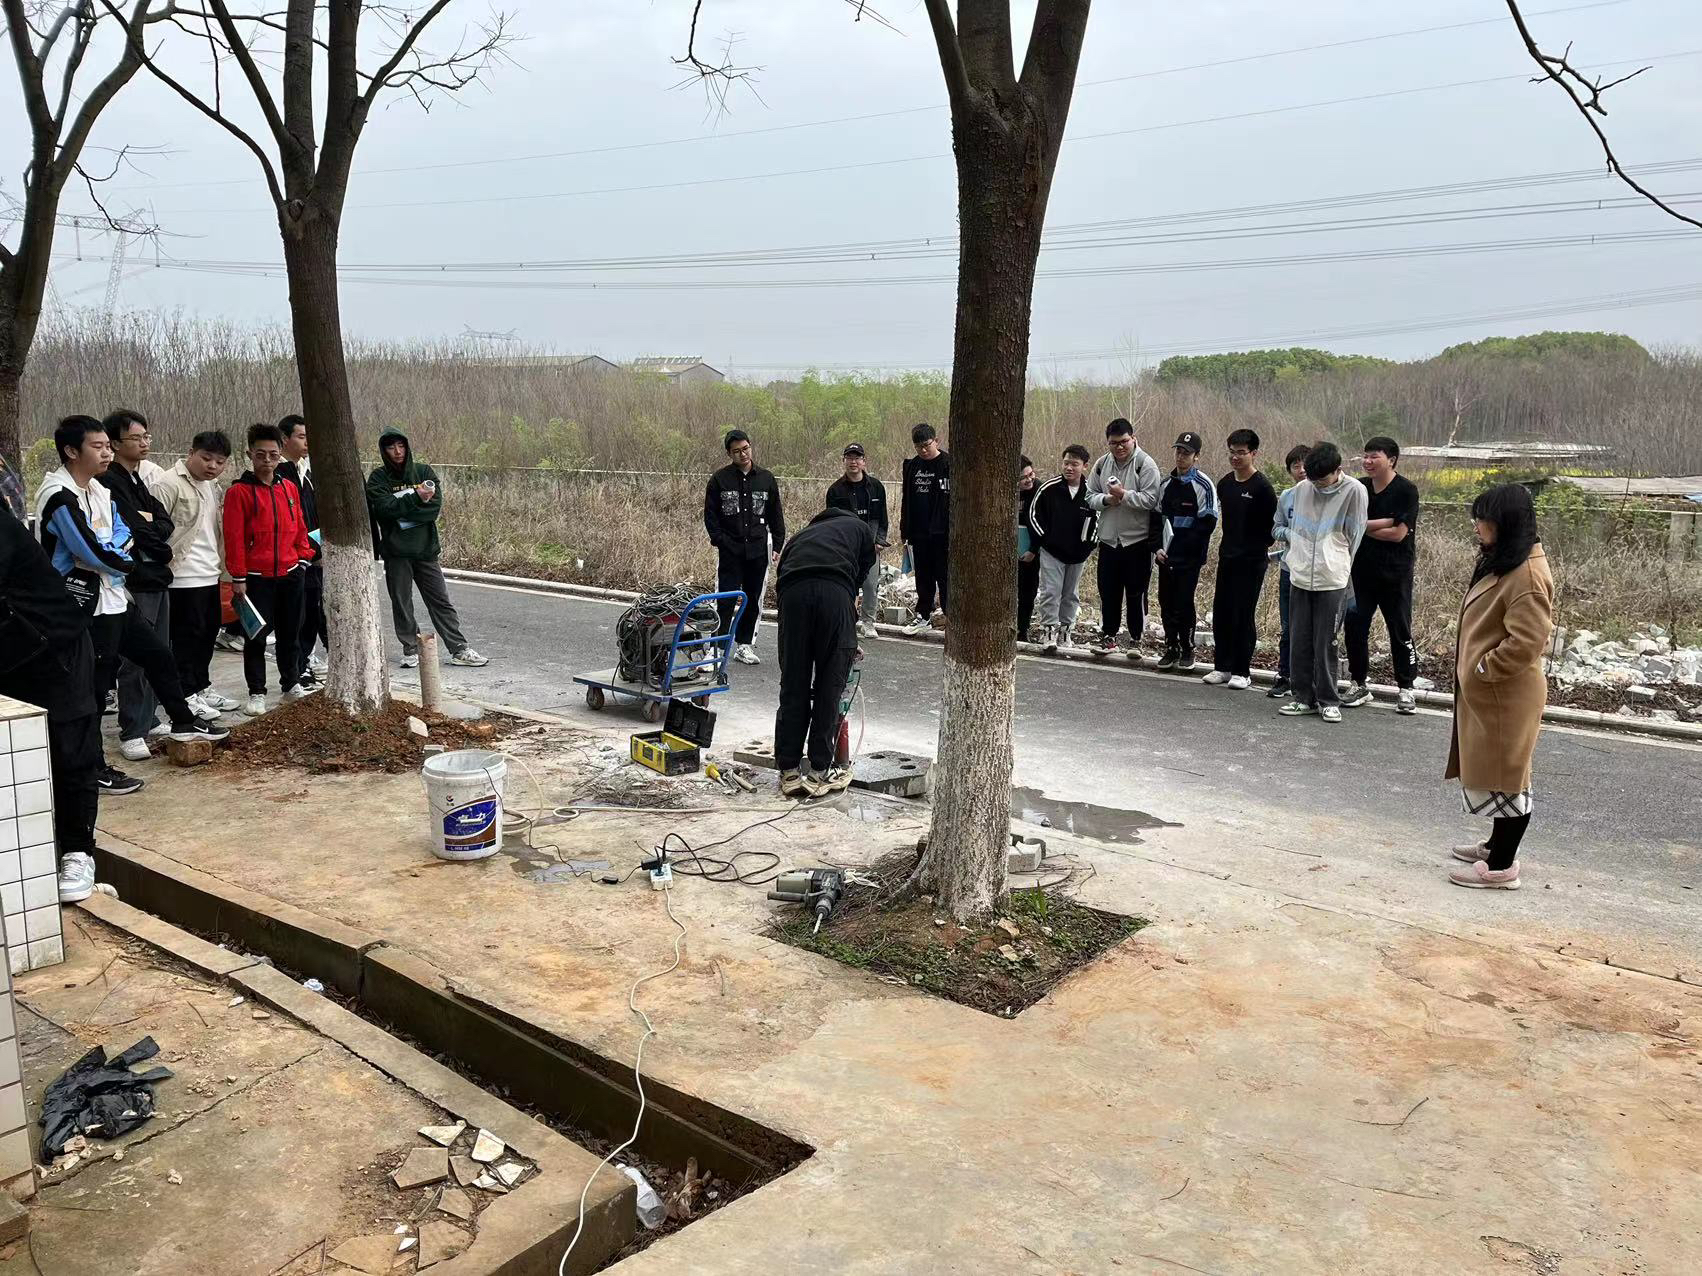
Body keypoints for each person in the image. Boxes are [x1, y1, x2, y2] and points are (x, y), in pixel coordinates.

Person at [36, 417, 227, 790]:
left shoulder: (99, 489)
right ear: (71, 451)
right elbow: (87, 548)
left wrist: (116, 555)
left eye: (108, 446)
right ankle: (92, 768)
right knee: (94, 688)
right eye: (97, 447)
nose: (106, 453)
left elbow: (124, 533)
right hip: (83, 604)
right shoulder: (58, 495)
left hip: (114, 596)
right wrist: (122, 560)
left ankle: (183, 721)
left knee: (158, 655)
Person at [1446, 484, 1554, 890]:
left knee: (1510, 779)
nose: (1477, 526)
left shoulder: (1527, 574)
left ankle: (1502, 867)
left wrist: (1483, 668)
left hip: (1505, 693)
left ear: (1504, 522)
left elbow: (1528, 641)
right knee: (1498, 773)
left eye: (1483, 519)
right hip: (1493, 693)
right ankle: (1495, 846)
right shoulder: (1509, 561)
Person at [0, 502, 105, 902]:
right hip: (11, 656)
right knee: (18, 759)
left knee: (70, 752)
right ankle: (33, 853)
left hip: (56, 649)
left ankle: (79, 853)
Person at [99, 410, 196, 763]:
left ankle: (150, 717)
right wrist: (158, 540)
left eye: (146, 437)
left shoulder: (138, 480)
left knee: (159, 651)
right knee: (137, 658)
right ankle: (132, 730)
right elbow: (137, 530)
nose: (144, 443)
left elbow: (163, 521)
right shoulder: (110, 482)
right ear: (114, 443)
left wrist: (153, 530)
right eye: (136, 438)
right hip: (137, 577)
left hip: (156, 575)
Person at [773, 506, 876, 798]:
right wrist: (846, 636)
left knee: (794, 683)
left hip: (793, 597)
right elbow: (858, 578)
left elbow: (782, 578)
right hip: (835, 595)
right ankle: (819, 772)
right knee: (829, 687)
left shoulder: (801, 536)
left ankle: (789, 770)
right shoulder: (860, 529)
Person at [367, 429, 489, 672]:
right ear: (384, 451)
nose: (397, 451)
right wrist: (415, 497)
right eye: (391, 447)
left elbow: (432, 510)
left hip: (425, 549)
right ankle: (411, 648)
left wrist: (400, 509)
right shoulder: (378, 478)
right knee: (402, 602)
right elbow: (383, 509)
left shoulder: (423, 473)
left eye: (401, 446)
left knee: (440, 600)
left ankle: (459, 648)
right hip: (396, 552)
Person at [226, 423, 315, 715]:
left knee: (291, 633)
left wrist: (303, 558)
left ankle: (291, 684)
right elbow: (234, 538)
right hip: (255, 578)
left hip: (291, 573)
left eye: (273, 455)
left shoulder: (288, 488)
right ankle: (257, 692)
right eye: (260, 454)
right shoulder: (239, 492)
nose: (267, 460)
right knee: (255, 636)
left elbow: (300, 527)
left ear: (280, 455)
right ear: (249, 454)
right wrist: (238, 576)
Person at [152, 430, 239, 721]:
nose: (212, 466)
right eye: (206, 458)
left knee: (206, 635)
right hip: (180, 576)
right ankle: (185, 695)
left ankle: (201, 687)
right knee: (185, 639)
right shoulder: (167, 484)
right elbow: (153, 533)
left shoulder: (212, 486)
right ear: (191, 453)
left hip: (209, 573)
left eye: (220, 461)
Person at [1278, 443, 1368, 724]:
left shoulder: (1354, 491)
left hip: (1332, 578)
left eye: (1322, 479)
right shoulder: (1302, 488)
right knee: (1299, 640)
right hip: (1300, 574)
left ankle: (1329, 700)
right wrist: (1298, 557)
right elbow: (1293, 527)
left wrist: (1336, 561)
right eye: (1312, 478)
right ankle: (1303, 697)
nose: (1316, 484)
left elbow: (1355, 535)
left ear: (1338, 470)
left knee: (1326, 642)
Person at [1343, 435, 1421, 714]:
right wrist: (1384, 521)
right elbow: (1347, 524)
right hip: (1361, 572)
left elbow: (1398, 534)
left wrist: (1362, 526)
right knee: (1355, 627)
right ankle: (1358, 683)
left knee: (1400, 630)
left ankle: (1406, 688)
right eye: (1365, 455)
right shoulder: (1359, 488)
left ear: (1392, 460)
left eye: (1374, 456)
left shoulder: (1406, 490)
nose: (1367, 461)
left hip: (1395, 574)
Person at [1203, 428, 1277, 690]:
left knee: (1243, 613)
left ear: (1253, 453)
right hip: (1228, 556)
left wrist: (1253, 547)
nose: (1235, 457)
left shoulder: (1262, 488)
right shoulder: (1225, 484)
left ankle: (1242, 671)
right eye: (1232, 452)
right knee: (1222, 611)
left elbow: (1271, 530)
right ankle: (1222, 667)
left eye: (1241, 452)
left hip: (1252, 560)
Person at [703, 429, 785, 665]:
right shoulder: (719, 480)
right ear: (729, 454)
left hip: (758, 550)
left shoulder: (766, 479)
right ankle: (717, 648)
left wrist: (778, 544)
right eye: (737, 451)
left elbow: (775, 514)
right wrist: (719, 540)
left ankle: (744, 645)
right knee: (725, 599)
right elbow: (710, 515)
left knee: (752, 599)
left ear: (751, 446)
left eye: (746, 448)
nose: (743, 454)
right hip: (730, 549)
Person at [1085, 417, 1163, 656]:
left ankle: (1136, 639)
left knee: (1136, 593)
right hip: (1109, 540)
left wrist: (1124, 495)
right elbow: (1089, 496)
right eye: (1114, 443)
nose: (1119, 447)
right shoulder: (1102, 464)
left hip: (1137, 541)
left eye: (1124, 441)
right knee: (1108, 591)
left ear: (1133, 439)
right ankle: (1108, 636)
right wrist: (1106, 500)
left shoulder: (1145, 464)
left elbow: (1151, 499)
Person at [1154, 431, 1218, 671]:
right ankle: (1170, 647)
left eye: (1186, 453)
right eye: (1178, 451)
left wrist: (1185, 548)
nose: (1181, 457)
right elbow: (1155, 521)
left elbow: (1207, 524)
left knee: (1183, 602)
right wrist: (1157, 548)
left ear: (1196, 456)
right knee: (1166, 602)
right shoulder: (1165, 484)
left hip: (1189, 558)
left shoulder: (1204, 485)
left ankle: (1187, 648)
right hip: (1165, 556)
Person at [1027, 444, 1099, 652]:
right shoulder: (1049, 489)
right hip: (1052, 551)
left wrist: (1089, 545)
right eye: (1066, 463)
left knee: (1070, 594)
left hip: (1079, 554)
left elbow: (1099, 520)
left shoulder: (1091, 491)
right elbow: (1034, 515)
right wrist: (1044, 540)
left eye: (1074, 464)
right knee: (1051, 591)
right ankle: (1049, 631)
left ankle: (1066, 631)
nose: (1069, 468)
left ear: (1084, 466)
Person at [276, 414, 328, 686]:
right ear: (285, 439)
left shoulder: (306, 470)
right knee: (296, 615)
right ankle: (295, 670)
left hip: (313, 551)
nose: (308, 442)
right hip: (293, 556)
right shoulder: (279, 473)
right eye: (301, 436)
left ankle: (304, 662)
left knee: (312, 610)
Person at [824, 442, 888, 638]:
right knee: (847, 585)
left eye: (857, 458)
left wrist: (879, 540)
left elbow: (883, 518)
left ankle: (868, 622)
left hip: (871, 545)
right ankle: (848, 621)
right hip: (846, 546)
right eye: (850, 458)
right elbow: (830, 522)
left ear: (864, 461)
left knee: (870, 585)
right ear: (844, 461)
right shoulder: (835, 490)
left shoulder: (876, 487)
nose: (854, 462)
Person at [1265, 445, 1313, 700]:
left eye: (1306, 464)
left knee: (1314, 629)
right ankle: (1285, 676)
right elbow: (1276, 529)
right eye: (1296, 465)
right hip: (1289, 569)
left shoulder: (1325, 496)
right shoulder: (1287, 497)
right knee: (1288, 627)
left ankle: (1311, 680)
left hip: (1317, 573)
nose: (1301, 469)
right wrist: (1292, 534)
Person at [899, 422, 950, 633]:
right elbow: (906, 499)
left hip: (943, 533)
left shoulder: (948, 464)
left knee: (945, 576)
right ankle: (923, 615)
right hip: (919, 533)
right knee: (923, 576)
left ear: (936, 441)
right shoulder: (912, 466)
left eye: (927, 445)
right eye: (918, 446)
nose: (923, 450)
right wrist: (904, 530)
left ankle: (950, 615)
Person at [1016, 456, 1040, 643]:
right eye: (1023, 477)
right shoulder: (1005, 490)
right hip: (1009, 546)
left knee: (1027, 592)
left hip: (1031, 548)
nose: (1029, 479)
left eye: (1031, 474)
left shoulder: (1040, 490)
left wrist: (1033, 549)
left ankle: (1022, 629)